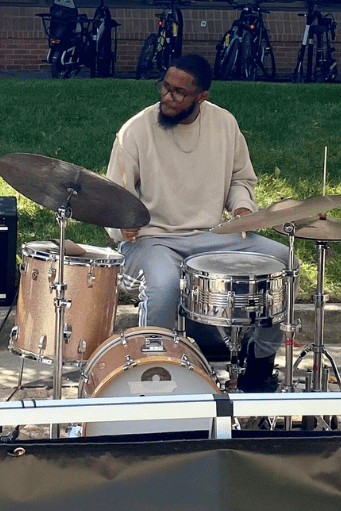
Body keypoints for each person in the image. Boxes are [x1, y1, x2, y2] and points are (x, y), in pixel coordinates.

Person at [105, 55, 289, 393]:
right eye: (165, 87)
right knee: (163, 286)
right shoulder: (136, 130)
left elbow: (240, 179)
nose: (167, 97)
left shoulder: (224, 124)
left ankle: (260, 363)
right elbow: (114, 196)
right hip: (152, 240)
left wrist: (242, 208)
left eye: (179, 93)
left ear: (201, 97)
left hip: (213, 235)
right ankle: (153, 374)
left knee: (283, 260)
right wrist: (122, 225)